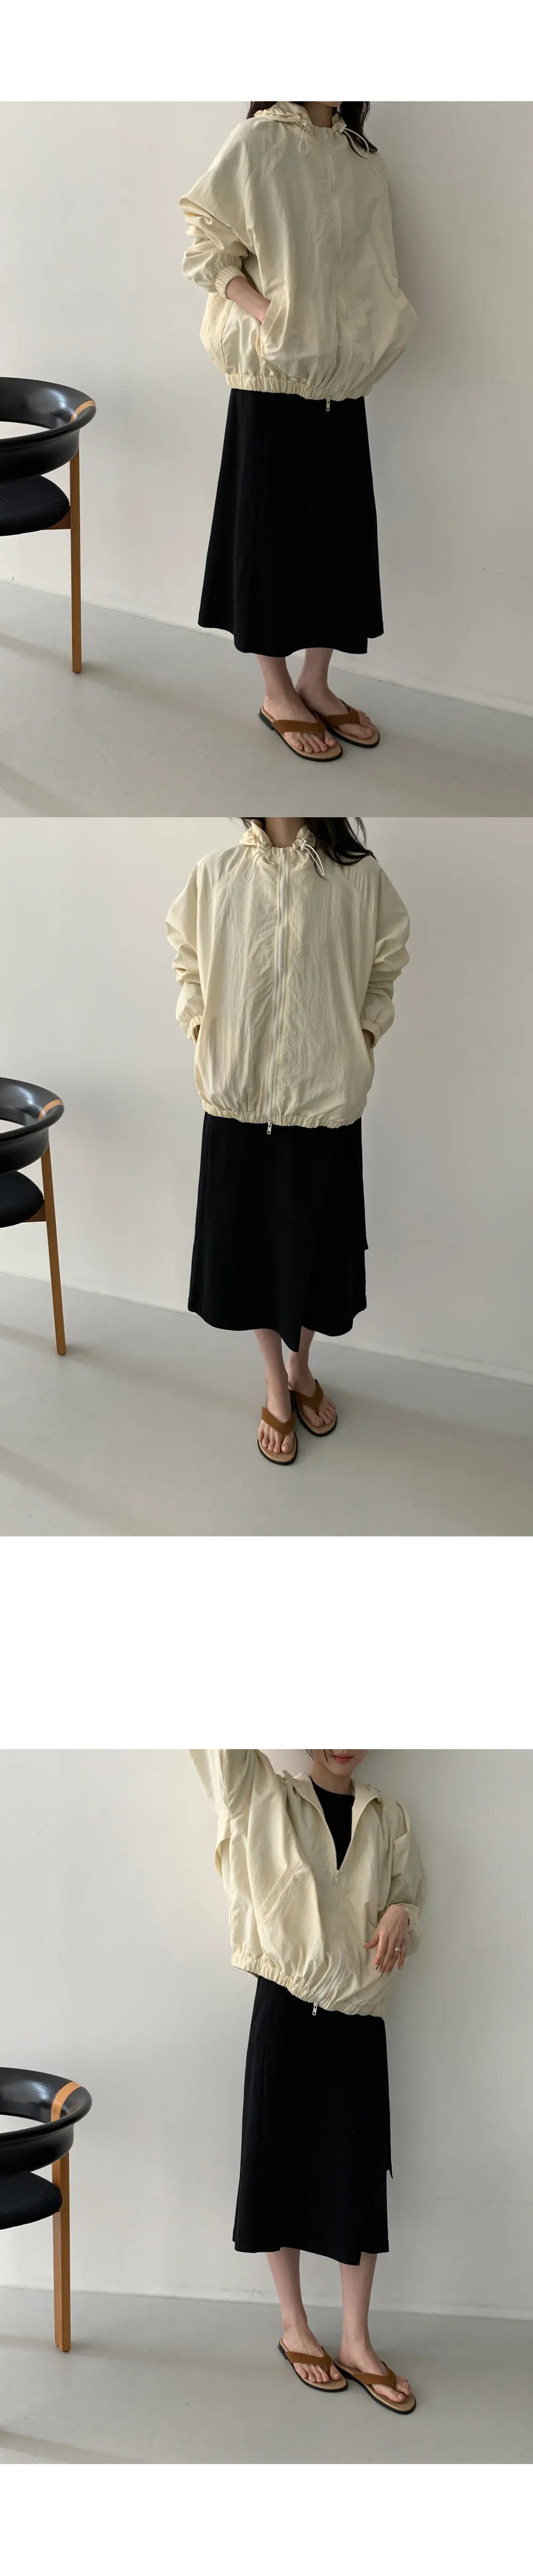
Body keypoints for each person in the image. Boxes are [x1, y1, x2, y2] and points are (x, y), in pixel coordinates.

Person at [166, 815, 409, 1461]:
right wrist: (202, 1029)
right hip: (237, 1100)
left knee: (314, 1253)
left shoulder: (359, 877)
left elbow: (386, 960)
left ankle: (302, 1367)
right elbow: (186, 956)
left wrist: (363, 1034)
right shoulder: (216, 874)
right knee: (250, 1252)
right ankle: (277, 1382)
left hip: (323, 1100)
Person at [190, 1748, 425, 2411]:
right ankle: (294, 2325)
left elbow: (410, 1898)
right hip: (285, 2006)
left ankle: (356, 2339)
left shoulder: (389, 1815)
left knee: (358, 2174)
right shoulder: (263, 1794)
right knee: (278, 2162)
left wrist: (403, 1912)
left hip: (358, 2017)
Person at [181, 101, 416, 760]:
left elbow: (371, 265)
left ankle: (316, 682)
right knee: (267, 537)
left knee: (336, 537)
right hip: (269, 378)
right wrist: (269, 317)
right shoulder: (258, 142)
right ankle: (275, 689)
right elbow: (206, 244)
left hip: (342, 380)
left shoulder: (360, 159)